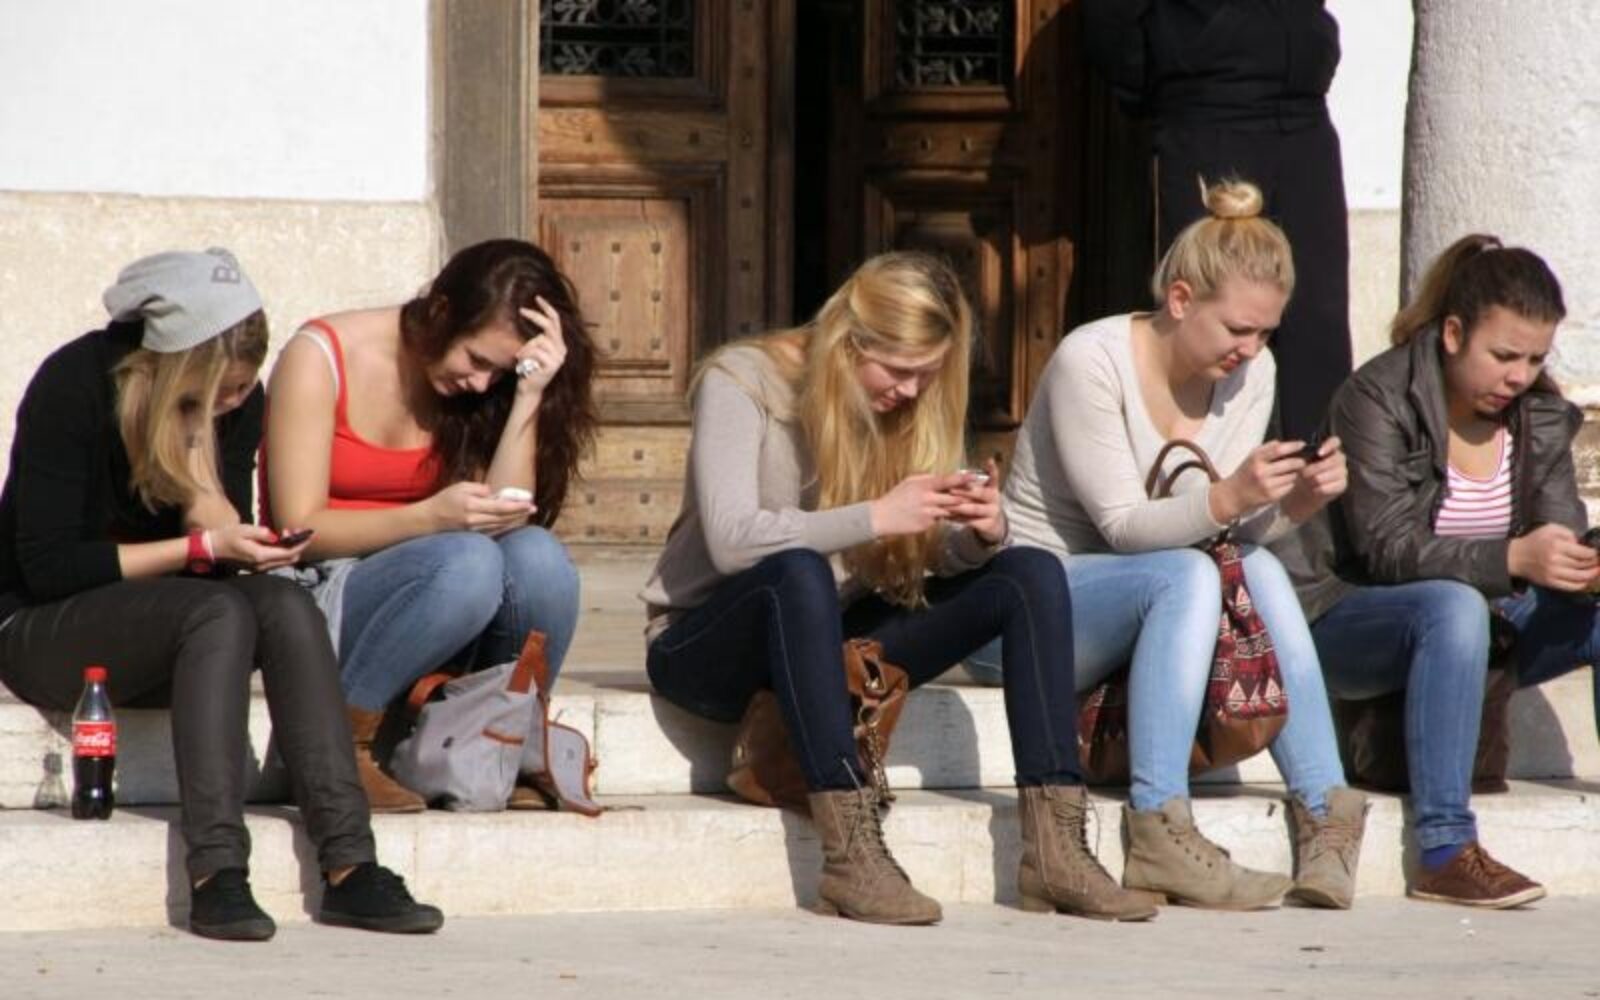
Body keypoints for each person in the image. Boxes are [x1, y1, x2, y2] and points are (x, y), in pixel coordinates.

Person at [640, 251, 1156, 925]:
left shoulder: (905, 407)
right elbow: (732, 541)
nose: (911, 391)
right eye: (898, 370)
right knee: (797, 571)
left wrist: (976, 535)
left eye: (927, 374)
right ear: (848, 342)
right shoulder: (741, 381)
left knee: (1028, 571)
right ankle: (851, 857)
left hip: (829, 636)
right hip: (705, 646)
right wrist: (877, 516)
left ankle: (1057, 850)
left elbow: (917, 554)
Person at [0, 249, 443, 941]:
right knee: (215, 610)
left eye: (241, 391)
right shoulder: (76, 383)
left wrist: (222, 522)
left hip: (177, 630)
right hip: (41, 629)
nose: (233, 405)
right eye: (214, 394)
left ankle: (351, 863)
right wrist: (196, 549)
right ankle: (216, 871)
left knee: (283, 602)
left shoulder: (239, 406)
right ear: (168, 370)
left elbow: (217, 564)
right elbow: (50, 567)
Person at [970, 179, 1366, 910]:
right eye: (1238, 329)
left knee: (1254, 566)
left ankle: (1326, 810)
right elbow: (1124, 526)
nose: (1251, 350)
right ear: (1181, 299)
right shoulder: (1091, 360)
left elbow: (1228, 538)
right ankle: (1157, 826)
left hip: (1157, 605)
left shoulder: (1254, 373)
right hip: (1028, 614)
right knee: (1185, 575)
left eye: (1266, 333)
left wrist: (1297, 503)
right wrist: (1233, 495)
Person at [1273, 234, 1579, 908]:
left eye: (1535, 359)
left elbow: (1560, 529)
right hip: (1350, 618)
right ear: (1453, 334)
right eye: (1504, 355)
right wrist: (1511, 558)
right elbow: (1387, 549)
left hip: (1485, 626)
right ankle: (1444, 849)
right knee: (1453, 605)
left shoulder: (1541, 415)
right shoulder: (1377, 398)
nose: (1519, 376)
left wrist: (1579, 564)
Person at [264, 239, 596, 812]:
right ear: (441, 311)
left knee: (539, 556)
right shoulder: (320, 356)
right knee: (468, 561)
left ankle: (498, 741)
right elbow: (296, 528)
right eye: (476, 360)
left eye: (501, 371)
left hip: (440, 591)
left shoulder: (482, 393)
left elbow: (507, 512)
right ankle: (331, 750)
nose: (481, 384)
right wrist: (428, 518)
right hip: (328, 585)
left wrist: (528, 394)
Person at [1083, 0, 1352, 442]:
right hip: (1207, 116)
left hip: (1306, 121)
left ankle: (1313, 474)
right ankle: (1195, 469)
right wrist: (1179, 75)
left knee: (1315, 323)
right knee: (1208, 313)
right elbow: (1110, 20)